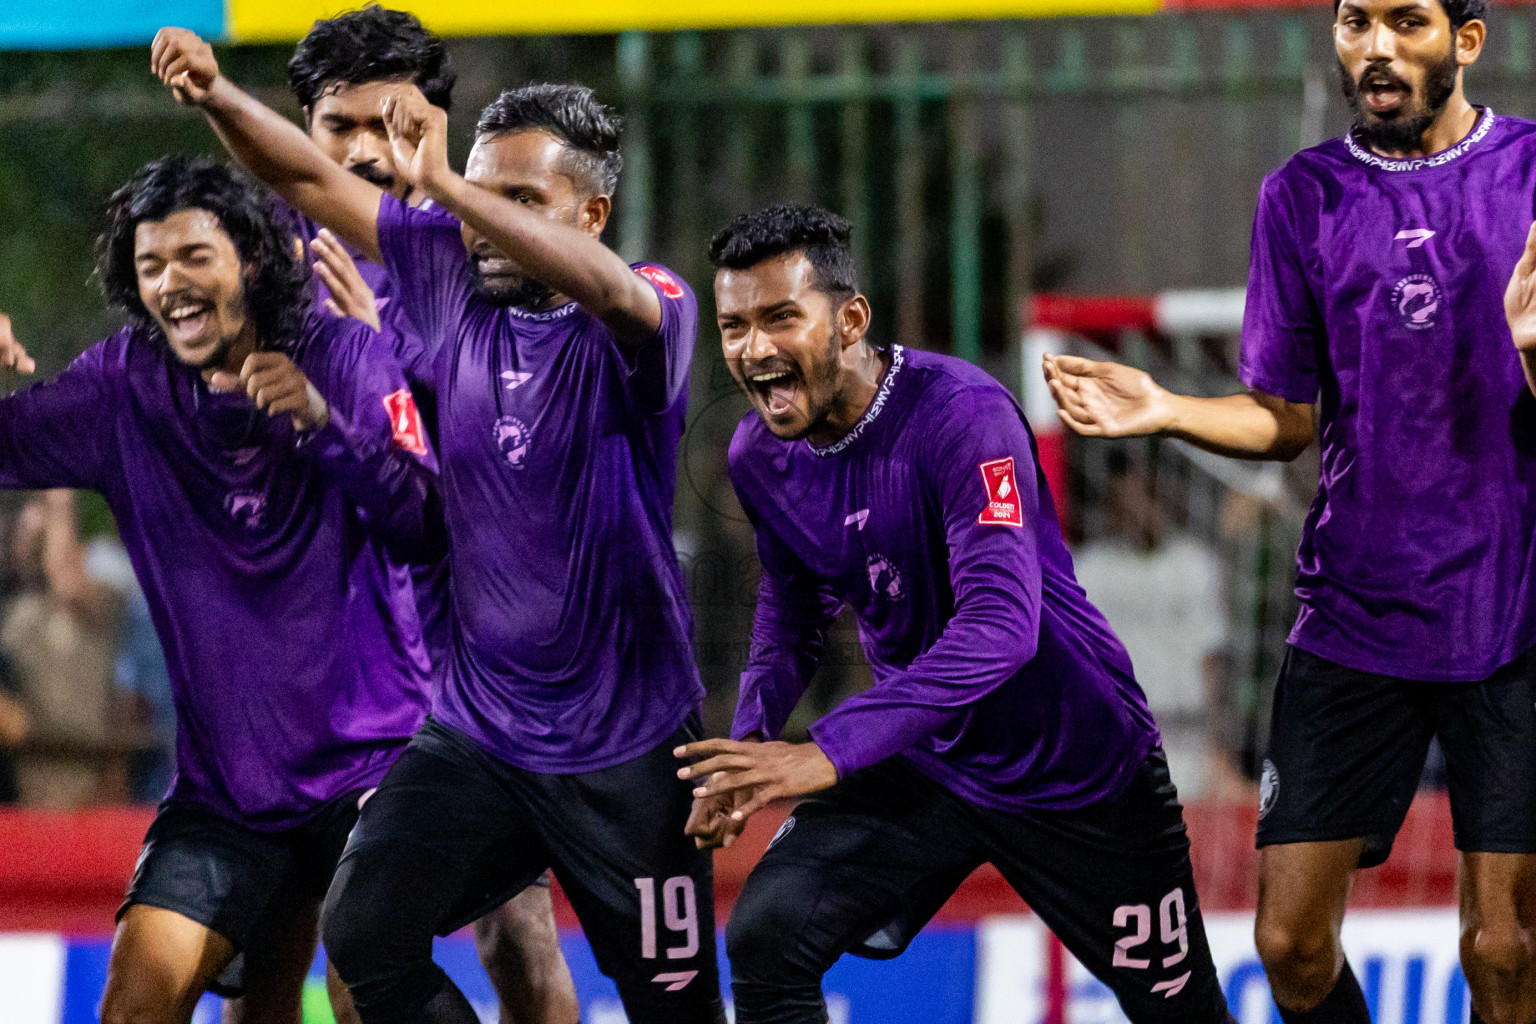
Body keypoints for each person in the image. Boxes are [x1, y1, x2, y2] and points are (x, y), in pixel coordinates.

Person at [150, 28, 723, 1024]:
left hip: (628, 747)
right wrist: (214, 94)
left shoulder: (652, 310)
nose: (492, 225)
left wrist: (455, 196)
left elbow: (612, 288)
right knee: (363, 931)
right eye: (481, 191)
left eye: (523, 203)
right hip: (481, 733)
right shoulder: (442, 280)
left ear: (593, 212)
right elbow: (309, 178)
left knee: (673, 1007)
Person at [1041, 0, 1536, 1018]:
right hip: (1354, 613)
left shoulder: (1532, 176)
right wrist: (1166, 405)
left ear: (1468, 41)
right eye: (1358, 21)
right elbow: (1284, 419)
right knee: (1289, 942)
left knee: (1502, 945)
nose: (1378, 48)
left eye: (1409, 21)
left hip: (1513, 611)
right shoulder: (1301, 197)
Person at [677, 204, 1235, 1024]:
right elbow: (793, 606)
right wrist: (756, 740)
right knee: (767, 937)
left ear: (851, 319)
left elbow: (1002, 626)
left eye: (780, 318)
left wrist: (823, 752)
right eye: (733, 327)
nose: (753, 350)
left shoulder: (961, 415)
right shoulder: (760, 456)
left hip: (1076, 768)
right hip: (928, 759)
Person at [0, 155, 440, 1024]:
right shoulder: (123, 385)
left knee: (361, 981)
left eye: (195, 256)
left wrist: (322, 426)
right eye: (150, 264)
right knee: (136, 1004)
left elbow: (425, 522)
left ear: (251, 255)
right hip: (225, 794)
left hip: (374, 768)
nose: (171, 283)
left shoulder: (344, 353)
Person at [281, 10, 578, 1022]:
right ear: (301, 132)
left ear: (437, 126)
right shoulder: (256, 269)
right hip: (322, 672)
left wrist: (378, 364)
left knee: (511, 932)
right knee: (334, 946)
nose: (366, 147)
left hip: (463, 655)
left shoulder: (490, 255)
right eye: (338, 124)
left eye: (392, 121)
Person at [1071, 452, 1242, 800]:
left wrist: (1220, 755)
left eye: (1147, 495)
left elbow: (1212, 663)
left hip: (1188, 745)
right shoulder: (1089, 570)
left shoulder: (1196, 565)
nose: (1138, 508)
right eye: (1127, 498)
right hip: (1113, 749)